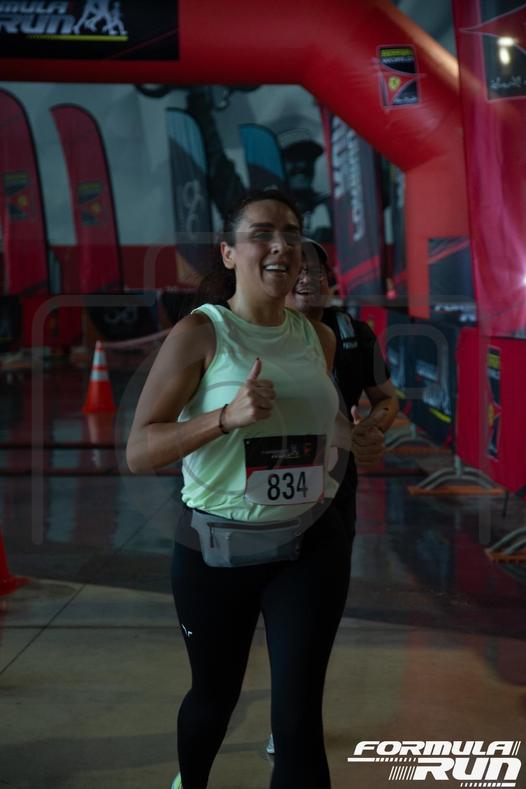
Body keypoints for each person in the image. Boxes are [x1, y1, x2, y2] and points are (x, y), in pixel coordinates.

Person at [126, 189, 383, 789]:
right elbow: (139, 450)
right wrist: (224, 418)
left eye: (291, 233)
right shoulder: (200, 333)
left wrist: (359, 440)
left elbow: (330, 428)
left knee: (298, 716)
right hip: (216, 550)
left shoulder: (317, 337)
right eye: (262, 233)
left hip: (310, 544)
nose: (280, 246)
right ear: (228, 252)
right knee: (213, 700)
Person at [264, 239, 399, 757]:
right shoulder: (258, 330)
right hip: (266, 494)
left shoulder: (353, 335)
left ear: (331, 280)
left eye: (318, 270)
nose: (309, 279)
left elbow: (386, 399)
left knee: (315, 613)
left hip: (337, 489)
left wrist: (372, 429)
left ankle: (292, 717)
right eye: (299, 269)